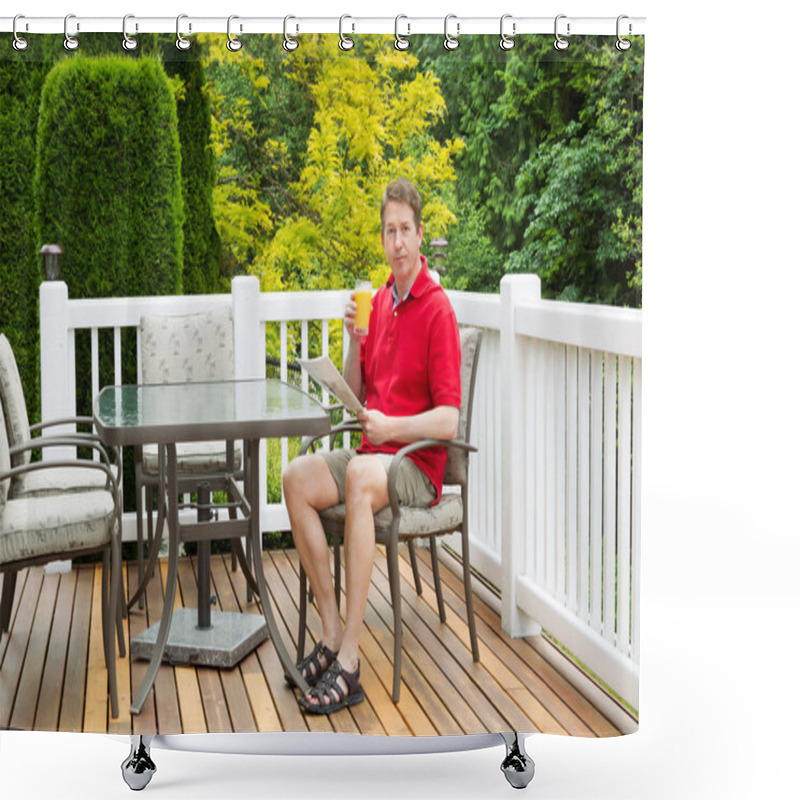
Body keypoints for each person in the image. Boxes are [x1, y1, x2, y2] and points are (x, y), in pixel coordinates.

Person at [282, 178, 462, 714]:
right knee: (295, 478)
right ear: (382, 239)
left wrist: (391, 430)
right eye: (390, 231)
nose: (399, 241)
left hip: (415, 462)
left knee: (361, 477)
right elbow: (359, 396)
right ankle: (334, 634)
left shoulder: (438, 310)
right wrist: (353, 344)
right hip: (371, 453)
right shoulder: (379, 303)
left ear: (420, 234)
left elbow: (449, 420)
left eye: (407, 229)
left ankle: (353, 663)